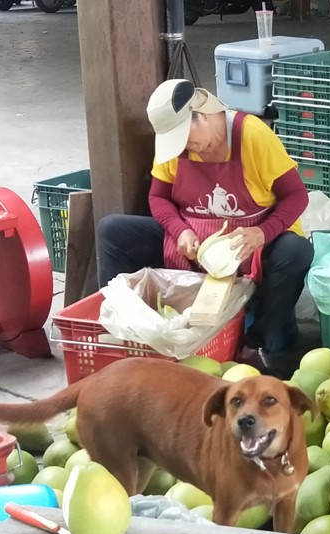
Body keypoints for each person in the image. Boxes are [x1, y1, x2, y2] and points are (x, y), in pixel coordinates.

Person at [96, 80, 312, 375]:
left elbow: (297, 196)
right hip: (192, 244)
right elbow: (158, 197)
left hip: (249, 245)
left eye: (185, 137)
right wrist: (179, 230)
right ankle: (121, 330)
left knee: (296, 251)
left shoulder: (251, 136)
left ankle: (255, 344)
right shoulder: (176, 151)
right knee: (112, 231)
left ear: (204, 114)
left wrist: (261, 233)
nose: (184, 148)